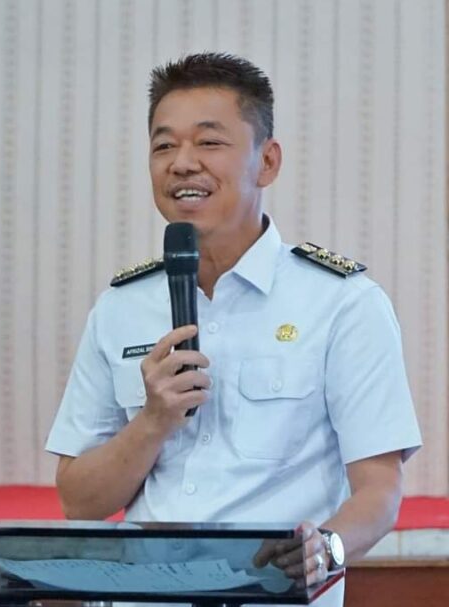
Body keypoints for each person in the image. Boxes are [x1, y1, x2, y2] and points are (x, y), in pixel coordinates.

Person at [45, 52, 421, 606]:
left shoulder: (342, 304)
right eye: (164, 146)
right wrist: (152, 421)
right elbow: (79, 501)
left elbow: (381, 491)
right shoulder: (120, 307)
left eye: (209, 142)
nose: (182, 164)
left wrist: (328, 548)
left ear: (267, 162)